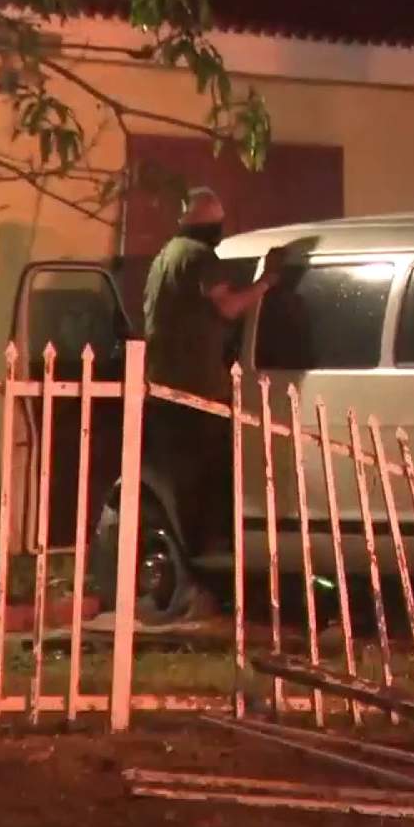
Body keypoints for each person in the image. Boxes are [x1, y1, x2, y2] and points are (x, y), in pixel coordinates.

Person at [141, 187, 284, 618]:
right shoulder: (201, 259)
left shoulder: (164, 257)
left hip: (163, 389)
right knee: (210, 483)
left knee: (179, 490)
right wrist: (267, 281)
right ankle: (207, 575)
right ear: (211, 225)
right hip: (198, 391)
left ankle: (191, 576)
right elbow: (228, 306)